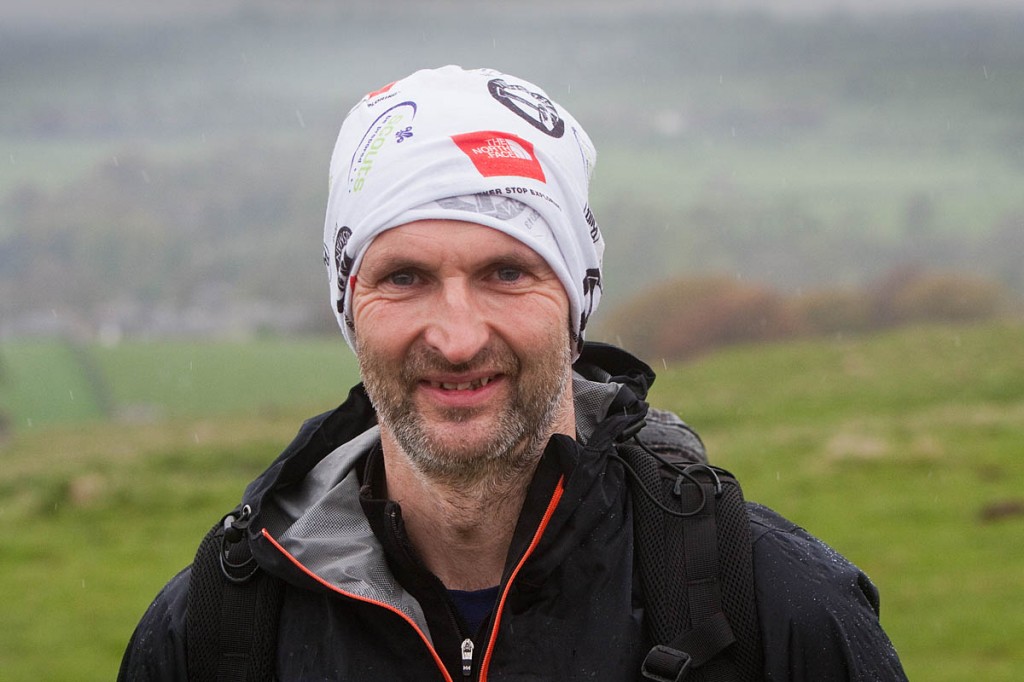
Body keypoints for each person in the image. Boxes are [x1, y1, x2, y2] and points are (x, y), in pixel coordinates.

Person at [119, 65, 907, 681]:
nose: (458, 339)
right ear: (347, 305)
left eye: (505, 272)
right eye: (404, 278)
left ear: (576, 301)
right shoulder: (218, 633)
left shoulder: (775, 612)